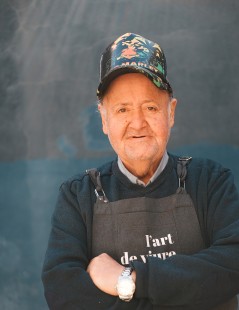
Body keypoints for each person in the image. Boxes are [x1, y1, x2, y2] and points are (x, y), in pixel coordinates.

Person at [42, 33, 239, 309]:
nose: (137, 124)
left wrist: (128, 280)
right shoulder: (78, 196)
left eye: (150, 107)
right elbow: (63, 293)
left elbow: (231, 266)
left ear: (171, 112)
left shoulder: (211, 182)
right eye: (122, 110)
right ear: (104, 119)